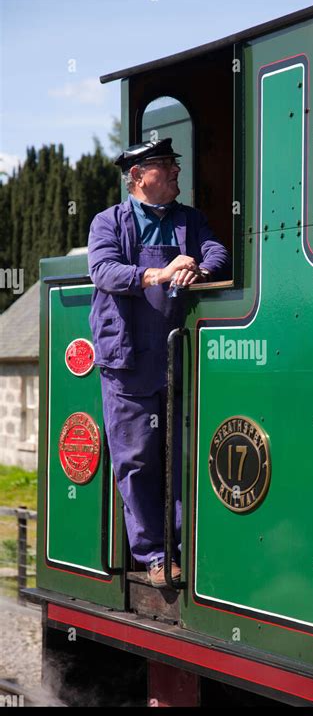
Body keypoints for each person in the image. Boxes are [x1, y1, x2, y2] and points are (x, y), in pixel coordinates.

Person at [87, 139, 230, 586]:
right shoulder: (107, 222)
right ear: (138, 177)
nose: (174, 173)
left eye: (174, 165)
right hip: (127, 358)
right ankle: (152, 555)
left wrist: (198, 270)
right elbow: (104, 271)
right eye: (165, 166)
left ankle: (187, 545)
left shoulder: (190, 220)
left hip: (177, 354)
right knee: (137, 459)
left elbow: (219, 254)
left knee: (182, 454)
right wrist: (158, 273)